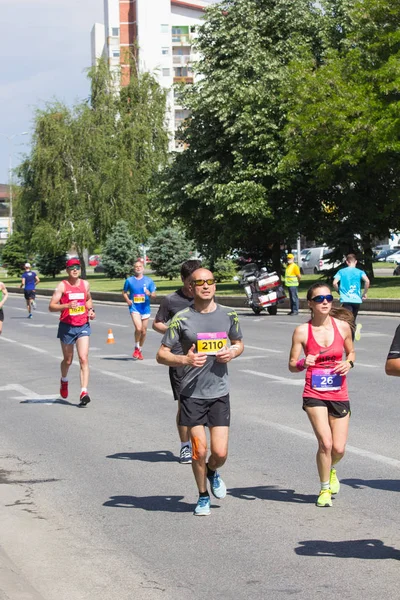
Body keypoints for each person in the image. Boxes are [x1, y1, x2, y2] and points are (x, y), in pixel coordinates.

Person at [156, 268, 244, 516]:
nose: (206, 286)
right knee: (199, 449)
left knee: (219, 453)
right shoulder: (181, 319)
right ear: (190, 287)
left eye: (210, 282)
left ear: (215, 286)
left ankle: (213, 471)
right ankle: (203, 495)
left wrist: (233, 352)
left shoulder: (230, 315)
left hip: (219, 392)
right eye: (199, 283)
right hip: (191, 393)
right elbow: (161, 355)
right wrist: (185, 360)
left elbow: (238, 343)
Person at [289, 282, 355, 508]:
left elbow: (351, 351)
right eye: (319, 299)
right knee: (325, 443)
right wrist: (301, 362)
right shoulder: (302, 331)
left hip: (339, 390)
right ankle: (324, 489)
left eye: (328, 298)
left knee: (338, 448)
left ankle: (331, 467)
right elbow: (291, 365)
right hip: (314, 391)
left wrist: (349, 363)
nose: (325, 302)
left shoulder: (343, 327)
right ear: (310, 304)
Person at [153, 259, 202, 464]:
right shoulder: (171, 300)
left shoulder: (206, 296)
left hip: (205, 358)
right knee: (185, 405)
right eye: (192, 282)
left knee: (204, 403)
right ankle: (185, 446)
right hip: (179, 358)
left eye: (198, 281)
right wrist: (176, 331)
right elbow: (157, 324)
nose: (196, 286)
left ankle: (201, 445)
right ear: (183, 280)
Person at [49, 258, 95, 407]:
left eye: (77, 267)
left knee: (83, 358)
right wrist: (67, 305)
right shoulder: (62, 286)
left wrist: (91, 310)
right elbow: (51, 306)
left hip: (82, 325)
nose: (75, 270)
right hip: (67, 327)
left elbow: (88, 299)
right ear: (67, 270)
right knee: (68, 360)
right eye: (72, 268)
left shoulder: (85, 284)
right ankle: (64, 380)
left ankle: (84, 392)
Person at [122, 260, 157, 360]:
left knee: (144, 331)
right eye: (136, 266)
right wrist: (127, 300)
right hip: (134, 308)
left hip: (145, 308)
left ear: (143, 268)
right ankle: (136, 347)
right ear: (134, 269)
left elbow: (154, 295)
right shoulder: (129, 280)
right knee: (138, 328)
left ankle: (140, 349)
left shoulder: (149, 281)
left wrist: (149, 294)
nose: (138, 268)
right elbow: (124, 292)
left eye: (140, 266)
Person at [333, 253, 370, 341]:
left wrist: (338, 291)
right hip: (357, 299)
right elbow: (367, 281)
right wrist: (364, 293)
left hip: (346, 299)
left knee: (345, 319)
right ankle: (352, 336)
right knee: (352, 318)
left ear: (347, 262)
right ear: (356, 262)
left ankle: (348, 338)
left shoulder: (341, 272)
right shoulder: (360, 272)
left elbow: (334, 283)